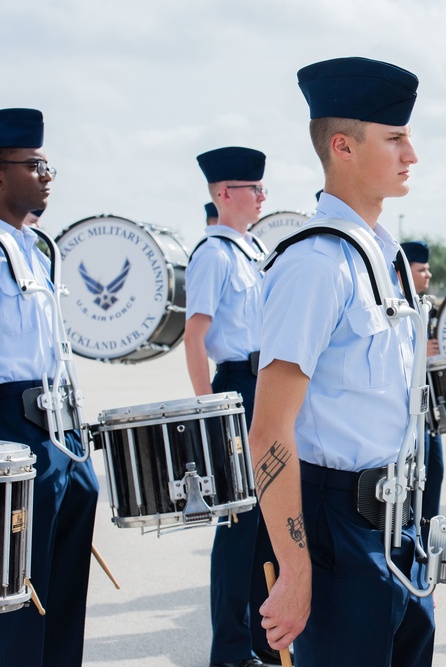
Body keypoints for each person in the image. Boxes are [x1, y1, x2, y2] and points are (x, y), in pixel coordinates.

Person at [247, 57, 434, 666]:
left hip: (396, 522)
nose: (412, 154)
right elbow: (270, 430)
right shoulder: (315, 264)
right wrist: (296, 570)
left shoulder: (382, 258)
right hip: (337, 528)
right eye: (395, 139)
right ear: (343, 147)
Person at [0, 108, 99, 667]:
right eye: (33, 164)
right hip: (10, 430)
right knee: (14, 602)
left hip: (60, 432)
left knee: (60, 595)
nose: (46, 173)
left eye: (47, 163)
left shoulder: (33, 249)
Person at [187, 146, 280, 667]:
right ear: (224, 194)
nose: (264, 195)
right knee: (238, 530)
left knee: (267, 524)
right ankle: (228, 651)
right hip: (236, 388)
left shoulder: (250, 251)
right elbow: (195, 334)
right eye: (254, 188)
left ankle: (262, 641)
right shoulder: (213, 254)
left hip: (262, 384)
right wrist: (208, 414)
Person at [400, 240, 444, 529]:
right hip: (407, 409)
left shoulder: (427, 307)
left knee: (434, 473)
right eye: (421, 269)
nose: (427, 275)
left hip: (428, 409)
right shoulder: (398, 309)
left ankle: (427, 538)